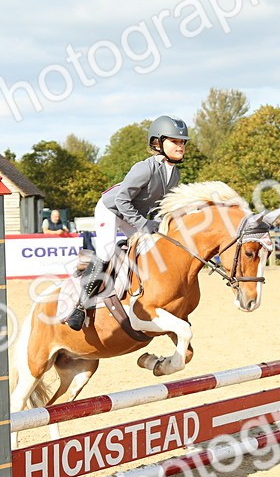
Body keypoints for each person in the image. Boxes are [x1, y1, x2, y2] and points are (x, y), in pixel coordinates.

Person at [64, 115, 188, 331]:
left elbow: (162, 205)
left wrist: (158, 223)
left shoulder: (174, 174)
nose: (181, 146)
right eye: (175, 141)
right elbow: (121, 200)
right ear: (157, 143)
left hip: (132, 213)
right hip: (110, 210)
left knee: (151, 247)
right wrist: (142, 223)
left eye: (183, 142)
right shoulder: (144, 168)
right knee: (106, 252)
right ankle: (80, 306)